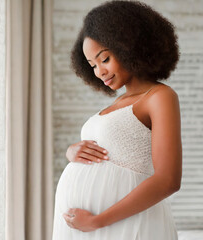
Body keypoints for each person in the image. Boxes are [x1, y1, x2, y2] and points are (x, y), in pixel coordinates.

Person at [52, 1, 182, 239]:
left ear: (130, 47)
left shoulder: (159, 97)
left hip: (120, 224)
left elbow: (168, 180)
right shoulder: (116, 104)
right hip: (88, 226)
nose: (99, 71)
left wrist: (97, 221)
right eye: (92, 65)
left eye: (105, 59)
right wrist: (72, 153)